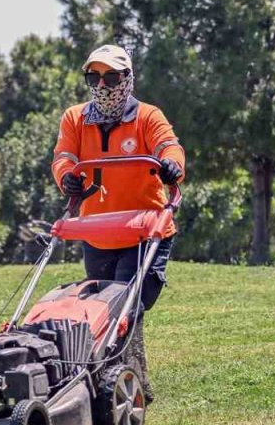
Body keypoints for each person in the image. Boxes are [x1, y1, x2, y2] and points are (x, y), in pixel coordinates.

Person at [50, 43, 185, 403]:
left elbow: (169, 146)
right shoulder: (75, 118)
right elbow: (63, 157)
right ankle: (124, 384)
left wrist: (171, 164)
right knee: (101, 311)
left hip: (146, 227)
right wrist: (67, 177)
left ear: (127, 79)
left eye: (110, 76)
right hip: (98, 230)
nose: (103, 84)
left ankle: (119, 383)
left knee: (126, 304)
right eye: (94, 76)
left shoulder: (148, 117)